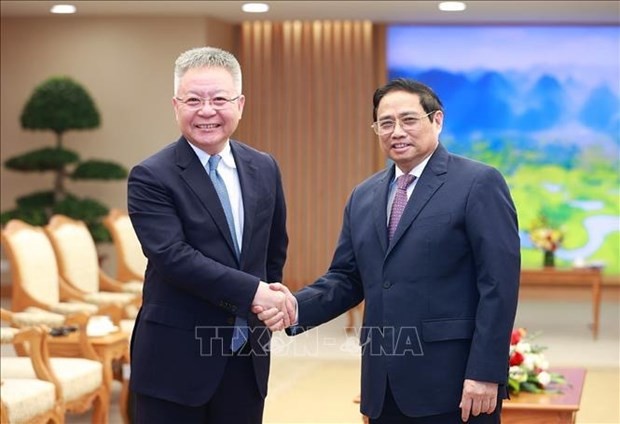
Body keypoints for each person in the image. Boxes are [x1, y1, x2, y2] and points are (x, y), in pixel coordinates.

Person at [256, 78, 520, 423]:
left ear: (436, 120)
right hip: (383, 386)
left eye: (409, 119)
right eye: (386, 123)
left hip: (455, 384)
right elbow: (347, 278)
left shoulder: (478, 183)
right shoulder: (363, 196)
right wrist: (293, 307)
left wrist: (486, 372)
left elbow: (499, 285)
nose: (397, 131)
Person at [127, 46, 293, 424]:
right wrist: (255, 292)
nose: (206, 111)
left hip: (246, 357)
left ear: (240, 104)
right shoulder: (151, 175)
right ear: (175, 105)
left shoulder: (264, 167)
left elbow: (272, 251)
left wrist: (269, 296)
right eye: (193, 100)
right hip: (174, 361)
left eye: (219, 99)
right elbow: (173, 258)